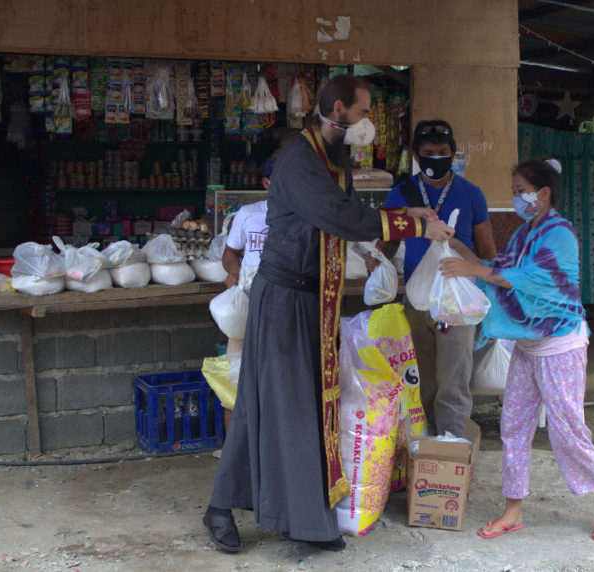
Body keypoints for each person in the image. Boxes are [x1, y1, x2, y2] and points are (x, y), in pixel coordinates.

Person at [203, 74, 454, 553]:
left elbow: (345, 209)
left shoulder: (330, 157)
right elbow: (342, 217)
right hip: (283, 300)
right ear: (338, 110)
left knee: (289, 406)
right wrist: (414, 225)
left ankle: (280, 514)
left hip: (311, 300)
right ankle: (251, 512)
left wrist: (411, 218)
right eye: (362, 113)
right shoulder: (299, 158)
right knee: (283, 406)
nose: (366, 123)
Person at [439, 157, 594, 542]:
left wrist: (476, 270)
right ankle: (513, 510)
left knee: (566, 430)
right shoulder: (525, 234)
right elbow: (496, 270)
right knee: (513, 426)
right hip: (528, 345)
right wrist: (457, 246)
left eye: (521, 191)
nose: (516, 198)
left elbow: (527, 280)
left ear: (543, 193)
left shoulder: (560, 235)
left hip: (560, 345)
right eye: (514, 192)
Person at [380, 119, 496, 437]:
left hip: (457, 301)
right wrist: (375, 260)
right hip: (417, 300)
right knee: (422, 376)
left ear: (453, 154)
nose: (436, 158)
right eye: (428, 153)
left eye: (442, 152)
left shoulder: (471, 194)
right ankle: (426, 441)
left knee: (454, 379)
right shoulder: (401, 194)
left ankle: (452, 445)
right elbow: (386, 245)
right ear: (417, 156)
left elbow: (488, 250)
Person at [215, 158, 273, 432]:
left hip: (283, 307)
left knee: (275, 381)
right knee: (235, 379)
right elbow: (230, 253)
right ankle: (234, 449)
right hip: (247, 303)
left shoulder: (302, 216)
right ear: (266, 183)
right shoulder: (249, 214)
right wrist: (233, 272)